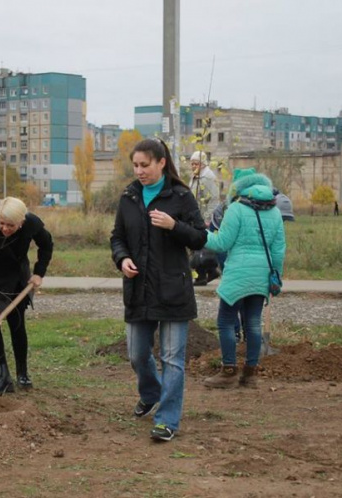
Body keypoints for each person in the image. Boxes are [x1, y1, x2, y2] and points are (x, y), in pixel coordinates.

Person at [110, 138, 207, 442]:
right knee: (138, 355)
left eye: (145, 165)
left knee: (173, 359)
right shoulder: (129, 197)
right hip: (138, 290)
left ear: (161, 162)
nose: (139, 171)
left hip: (173, 290)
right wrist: (122, 258)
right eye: (135, 165)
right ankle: (150, 393)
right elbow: (117, 237)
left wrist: (173, 225)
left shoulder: (180, 195)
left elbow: (200, 238)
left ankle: (167, 420)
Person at [202, 168, 286, 389]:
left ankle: (228, 371)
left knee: (225, 321)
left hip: (238, 272)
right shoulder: (275, 213)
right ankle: (250, 374)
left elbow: (222, 243)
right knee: (253, 323)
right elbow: (278, 251)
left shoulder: (236, 209)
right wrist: (276, 275)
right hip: (261, 274)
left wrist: (201, 235)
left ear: (238, 187)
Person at [0, 197, 53, 395]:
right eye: (1, 223)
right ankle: (2, 376)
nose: (4, 228)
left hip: (16, 271)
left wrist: (39, 272)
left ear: (22, 222)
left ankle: (23, 373)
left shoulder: (32, 223)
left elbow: (46, 245)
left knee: (17, 321)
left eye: (10, 225)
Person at [188, 150, 221, 286]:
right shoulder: (197, 175)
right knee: (197, 246)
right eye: (192, 163)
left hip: (203, 217)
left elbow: (213, 200)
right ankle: (208, 272)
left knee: (199, 244)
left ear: (202, 163)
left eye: (195, 163)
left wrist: (207, 218)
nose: (193, 166)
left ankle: (206, 273)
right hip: (195, 216)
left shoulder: (208, 177)